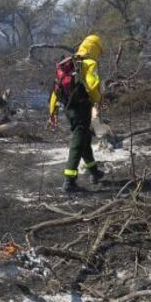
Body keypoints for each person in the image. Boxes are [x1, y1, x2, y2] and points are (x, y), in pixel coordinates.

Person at [48, 34, 106, 192]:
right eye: (98, 51)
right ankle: (69, 180)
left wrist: (52, 111)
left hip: (68, 108)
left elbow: (55, 90)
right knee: (78, 142)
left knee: (85, 138)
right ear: (94, 48)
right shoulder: (89, 63)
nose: (98, 55)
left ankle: (94, 172)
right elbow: (93, 85)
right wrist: (98, 100)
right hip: (81, 109)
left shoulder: (68, 62)